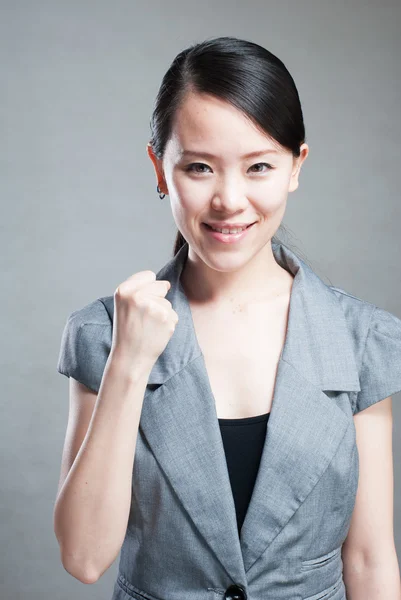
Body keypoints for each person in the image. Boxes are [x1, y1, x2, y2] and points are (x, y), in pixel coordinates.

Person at [53, 36, 401, 599]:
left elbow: (369, 557)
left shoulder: (362, 339)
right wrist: (127, 365)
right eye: (199, 168)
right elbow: (84, 557)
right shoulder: (103, 334)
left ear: (296, 167)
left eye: (259, 166)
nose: (229, 199)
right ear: (159, 168)